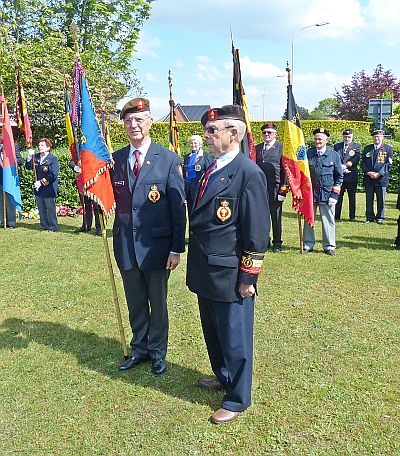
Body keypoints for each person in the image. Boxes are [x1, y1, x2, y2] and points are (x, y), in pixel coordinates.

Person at [186, 105, 270, 424]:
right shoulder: (211, 168)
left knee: (235, 336)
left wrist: (249, 275)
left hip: (231, 273)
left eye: (212, 131)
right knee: (214, 333)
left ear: (233, 134)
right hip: (206, 268)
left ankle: (237, 398)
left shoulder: (249, 174)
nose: (206, 137)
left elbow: (257, 231)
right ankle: (223, 376)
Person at [110, 98, 186, 376]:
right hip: (126, 245)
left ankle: (157, 352)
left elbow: (178, 209)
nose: (134, 125)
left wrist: (176, 248)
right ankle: (139, 348)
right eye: (129, 120)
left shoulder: (168, 159)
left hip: (157, 247)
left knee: (158, 301)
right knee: (135, 301)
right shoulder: (115, 160)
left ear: (150, 121)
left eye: (139, 119)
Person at [303, 128, 343, 256]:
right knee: (309, 219)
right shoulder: (308, 153)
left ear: (327, 140)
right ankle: (308, 244)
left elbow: (339, 176)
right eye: (315, 139)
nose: (317, 141)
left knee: (328, 220)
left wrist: (335, 194)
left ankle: (329, 246)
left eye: (320, 139)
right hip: (311, 194)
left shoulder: (334, 155)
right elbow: (303, 173)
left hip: (327, 193)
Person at [255, 122, 288, 252]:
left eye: (269, 132)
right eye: (264, 132)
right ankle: (264, 240)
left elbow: (286, 170)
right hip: (260, 188)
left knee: (276, 217)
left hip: (275, 188)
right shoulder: (257, 148)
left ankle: (277, 243)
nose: (267, 134)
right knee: (261, 217)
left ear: (275, 134)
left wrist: (283, 190)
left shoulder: (281, 148)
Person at [25, 138, 59, 232]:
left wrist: (41, 182)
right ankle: (44, 225)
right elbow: (28, 167)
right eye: (39, 145)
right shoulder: (35, 157)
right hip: (38, 188)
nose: (40, 147)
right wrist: (29, 157)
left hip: (49, 188)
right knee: (41, 208)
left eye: (42, 145)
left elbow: (53, 174)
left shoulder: (53, 159)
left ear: (48, 147)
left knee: (50, 208)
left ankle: (53, 226)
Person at [361, 130, 393, 224]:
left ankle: (380, 217)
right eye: (375, 137)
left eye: (378, 136)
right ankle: (369, 217)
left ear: (382, 137)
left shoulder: (387, 148)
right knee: (369, 199)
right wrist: (368, 172)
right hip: (369, 178)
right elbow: (363, 162)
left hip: (381, 179)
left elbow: (388, 163)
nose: (376, 138)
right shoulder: (367, 148)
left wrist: (379, 173)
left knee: (381, 199)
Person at [333, 128, 361, 221]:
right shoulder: (337, 146)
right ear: (343, 136)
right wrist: (340, 168)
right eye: (345, 137)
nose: (347, 138)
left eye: (349, 137)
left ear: (352, 136)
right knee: (338, 196)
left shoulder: (356, 146)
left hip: (351, 175)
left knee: (351, 197)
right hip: (339, 176)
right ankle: (336, 215)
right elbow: (335, 158)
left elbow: (355, 159)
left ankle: (352, 216)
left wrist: (344, 167)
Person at [183, 134, 213, 216]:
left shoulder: (207, 157)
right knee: (190, 213)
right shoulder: (187, 158)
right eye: (191, 143)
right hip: (188, 190)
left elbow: (210, 174)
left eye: (195, 143)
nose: (193, 145)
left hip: (200, 189)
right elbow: (184, 174)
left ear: (200, 144)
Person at [68, 160, 101, 235]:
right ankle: (86, 225)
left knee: (96, 206)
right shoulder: (78, 152)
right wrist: (75, 167)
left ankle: (99, 227)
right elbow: (72, 162)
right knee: (86, 205)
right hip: (82, 181)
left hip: (93, 181)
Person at [0, 125, 23, 228]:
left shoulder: (13, 147)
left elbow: (20, 160)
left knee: (10, 201)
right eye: (1, 134)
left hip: (9, 178)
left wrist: (10, 161)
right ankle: (1, 222)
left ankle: (11, 222)